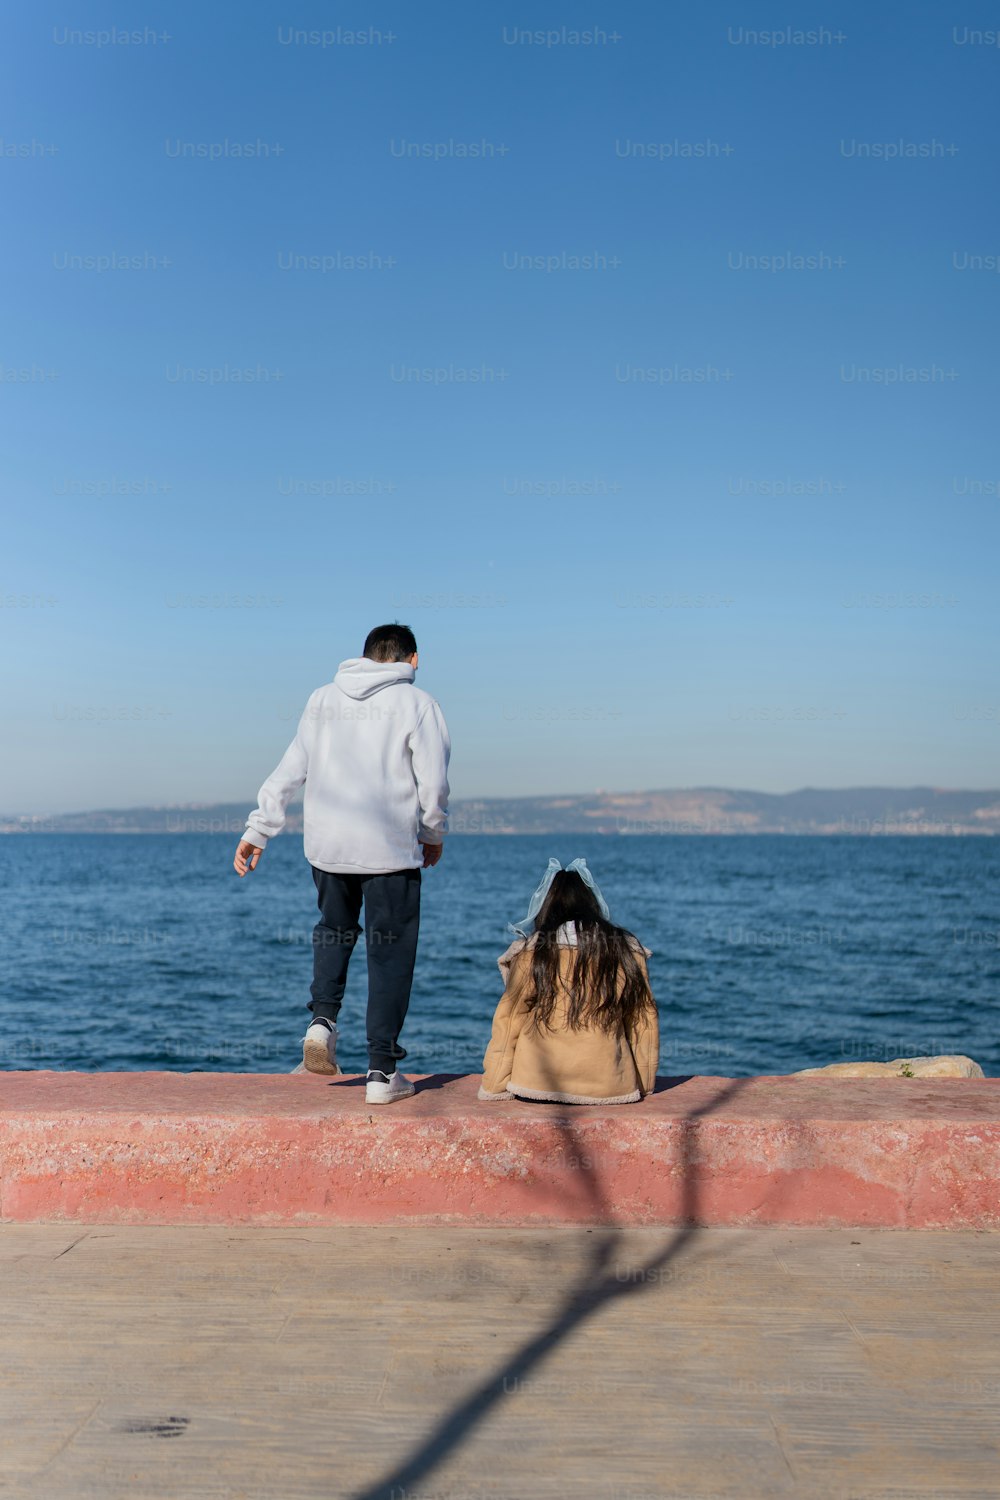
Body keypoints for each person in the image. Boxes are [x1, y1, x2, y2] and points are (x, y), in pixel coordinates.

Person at [233, 623, 450, 1104]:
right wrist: (432, 834)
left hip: (328, 849)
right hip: (390, 851)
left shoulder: (322, 699)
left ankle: (322, 1023)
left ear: (365, 657)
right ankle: (381, 1073)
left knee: (334, 929)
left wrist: (258, 829)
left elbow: (293, 766)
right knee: (389, 955)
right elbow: (432, 785)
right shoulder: (418, 705)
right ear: (411, 660)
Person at [478, 858, 659, 1105]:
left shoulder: (533, 952)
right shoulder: (625, 951)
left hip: (537, 1085)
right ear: (592, 903)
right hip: (610, 1087)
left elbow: (509, 1021)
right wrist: (645, 1083)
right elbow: (643, 1021)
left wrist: (494, 1085)